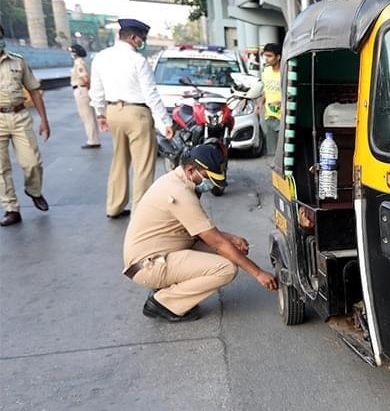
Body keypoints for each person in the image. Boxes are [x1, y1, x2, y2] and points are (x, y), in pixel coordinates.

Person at [122, 142, 278, 322]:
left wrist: (231, 239)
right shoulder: (179, 193)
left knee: (229, 250)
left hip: (159, 254)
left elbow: (201, 231)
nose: (210, 184)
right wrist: (258, 273)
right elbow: (217, 242)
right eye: (208, 178)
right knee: (226, 268)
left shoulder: (179, 181)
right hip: (148, 265)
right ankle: (164, 303)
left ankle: (170, 289)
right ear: (190, 170)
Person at [89, 18, 174, 219]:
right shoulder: (138, 61)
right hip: (137, 114)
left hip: (113, 112)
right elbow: (151, 94)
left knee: (119, 160)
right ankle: (140, 214)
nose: (142, 43)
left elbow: (97, 90)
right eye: (141, 39)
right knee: (143, 165)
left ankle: (114, 206)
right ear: (133, 38)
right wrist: (165, 123)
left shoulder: (101, 58)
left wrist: (100, 114)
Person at [0, 24, 50, 227]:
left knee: (33, 162)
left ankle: (34, 190)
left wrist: (44, 120)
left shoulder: (17, 62)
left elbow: (35, 91)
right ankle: (11, 208)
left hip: (20, 115)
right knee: (1, 169)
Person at [68, 44, 101, 149]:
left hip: (81, 90)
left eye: (72, 52)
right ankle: (94, 138)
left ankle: (92, 140)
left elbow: (85, 78)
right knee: (89, 116)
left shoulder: (79, 63)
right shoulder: (82, 62)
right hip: (83, 90)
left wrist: (88, 88)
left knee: (87, 117)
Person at [258, 43, 281, 156]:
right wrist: (260, 103)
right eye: (265, 56)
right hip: (269, 115)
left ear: (278, 57)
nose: (266, 59)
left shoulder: (285, 72)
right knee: (272, 152)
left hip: (283, 117)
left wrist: (282, 102)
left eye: (269, 56)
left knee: (284, 151)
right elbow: (265, 90)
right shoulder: (266, 71)